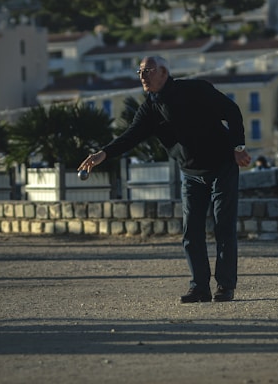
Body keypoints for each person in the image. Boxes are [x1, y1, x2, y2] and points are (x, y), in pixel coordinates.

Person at [78, 55, 251, 303]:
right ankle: (199, 287)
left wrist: (238, 147)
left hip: (222, 166)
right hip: (191, 174)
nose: (142, 76)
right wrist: (103, 154)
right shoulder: (150, 107)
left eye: (148, 70)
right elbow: (130, 136)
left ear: (164, 72)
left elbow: (232, 111)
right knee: (191, 231)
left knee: (223, 227)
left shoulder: (195, 90)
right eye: (139, 72)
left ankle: (225, 286)